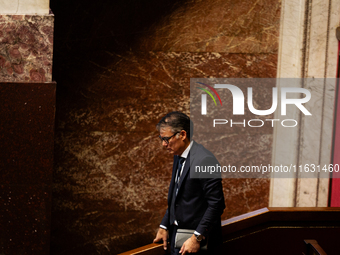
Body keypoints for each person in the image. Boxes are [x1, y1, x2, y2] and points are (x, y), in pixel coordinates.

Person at [153, 111, 225, 255]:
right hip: (177, 238)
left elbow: (217, 204)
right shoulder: (178, 155)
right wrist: (164, 225)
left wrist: (197, 237)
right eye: (161, 138)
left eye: (166, 139)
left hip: (196, 244)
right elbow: (176, 196)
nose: (163, 144)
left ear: (183, 135)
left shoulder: (204, 160)